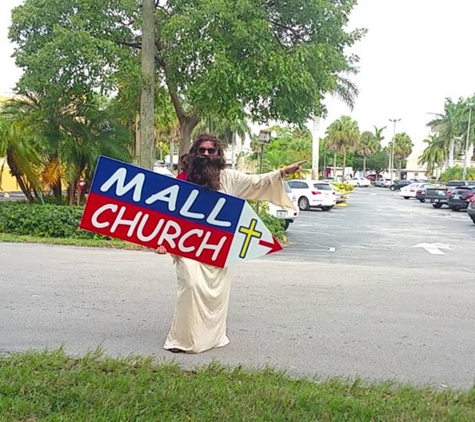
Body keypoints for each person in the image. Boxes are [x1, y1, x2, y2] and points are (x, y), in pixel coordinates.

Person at [156, 133, 305, 354]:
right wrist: (162, 240)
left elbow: (257, 182)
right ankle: (183, 339)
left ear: (218, 154)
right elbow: (165, 214)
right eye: (202, 150)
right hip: (187, 245)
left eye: (211, 151)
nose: (206, 154)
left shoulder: (229, 178)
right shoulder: (183, 181)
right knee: (190, 285)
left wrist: (283, 172)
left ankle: (210, 338)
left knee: (215, 295)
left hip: (218, 248)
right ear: (195, 153)